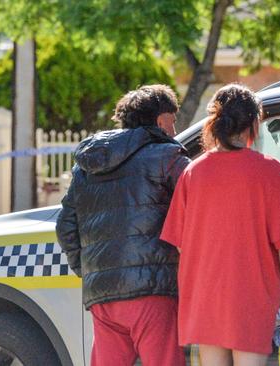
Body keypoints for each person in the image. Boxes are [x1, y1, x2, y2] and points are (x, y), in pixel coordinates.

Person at [160, 84, 280, 366]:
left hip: (205, 295)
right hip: (251, 295)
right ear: (254, 123)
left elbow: (179, 241)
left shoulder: (193, 172)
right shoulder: (272, 172)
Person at [56, 85, 190, 366]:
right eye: (172, 120)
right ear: (159, 120)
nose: (175, 130)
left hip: (103, 295)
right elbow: (199, 207)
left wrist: (91, 267)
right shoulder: (168, 157)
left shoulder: (88, 165)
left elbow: (65, 225)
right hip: (151, 292)